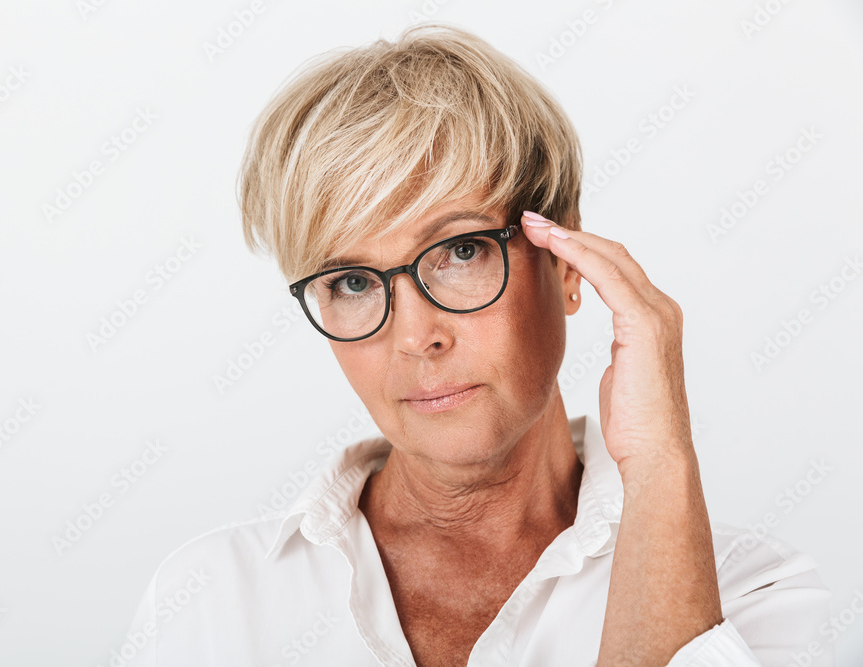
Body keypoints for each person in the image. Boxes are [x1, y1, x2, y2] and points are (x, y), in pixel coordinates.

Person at [123, 23, 833, 666]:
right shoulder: (207, 601)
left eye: (460, 251)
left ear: (565, 262)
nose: (415, 336)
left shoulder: (749, 594)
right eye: (352, 282)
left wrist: (660, 458)